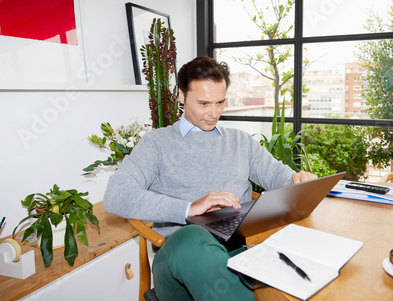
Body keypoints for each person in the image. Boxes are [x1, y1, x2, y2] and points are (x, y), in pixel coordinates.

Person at [104, 56, 316, 300]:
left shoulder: (240, 141)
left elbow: (276, 174)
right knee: (192, 237)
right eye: (203, 103)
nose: (213, 113)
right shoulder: (156, 144)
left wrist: (295, 180)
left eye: (220, 102)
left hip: (241, 247)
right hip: (181, 256)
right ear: (182, 96)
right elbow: (116, 195)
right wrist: (189, 208)